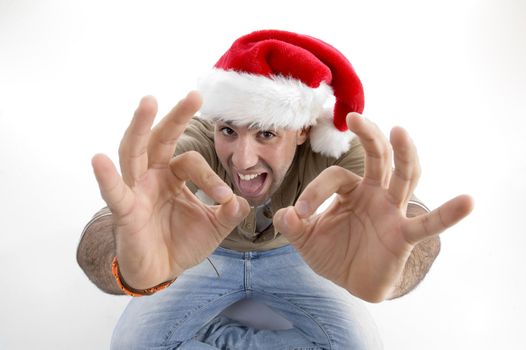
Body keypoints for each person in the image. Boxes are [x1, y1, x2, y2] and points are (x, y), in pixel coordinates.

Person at [77, 30, 473, 349]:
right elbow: (111, 224)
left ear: (302, 131)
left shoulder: (333, 144)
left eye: (266, 134)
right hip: (206, 256)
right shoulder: (195, 138)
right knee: (131, 343)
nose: (243, 160)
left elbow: (410, 217)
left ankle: (218, 338)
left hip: (293, 254)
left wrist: (397, 267)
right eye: (228, 130)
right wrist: (128, 268)